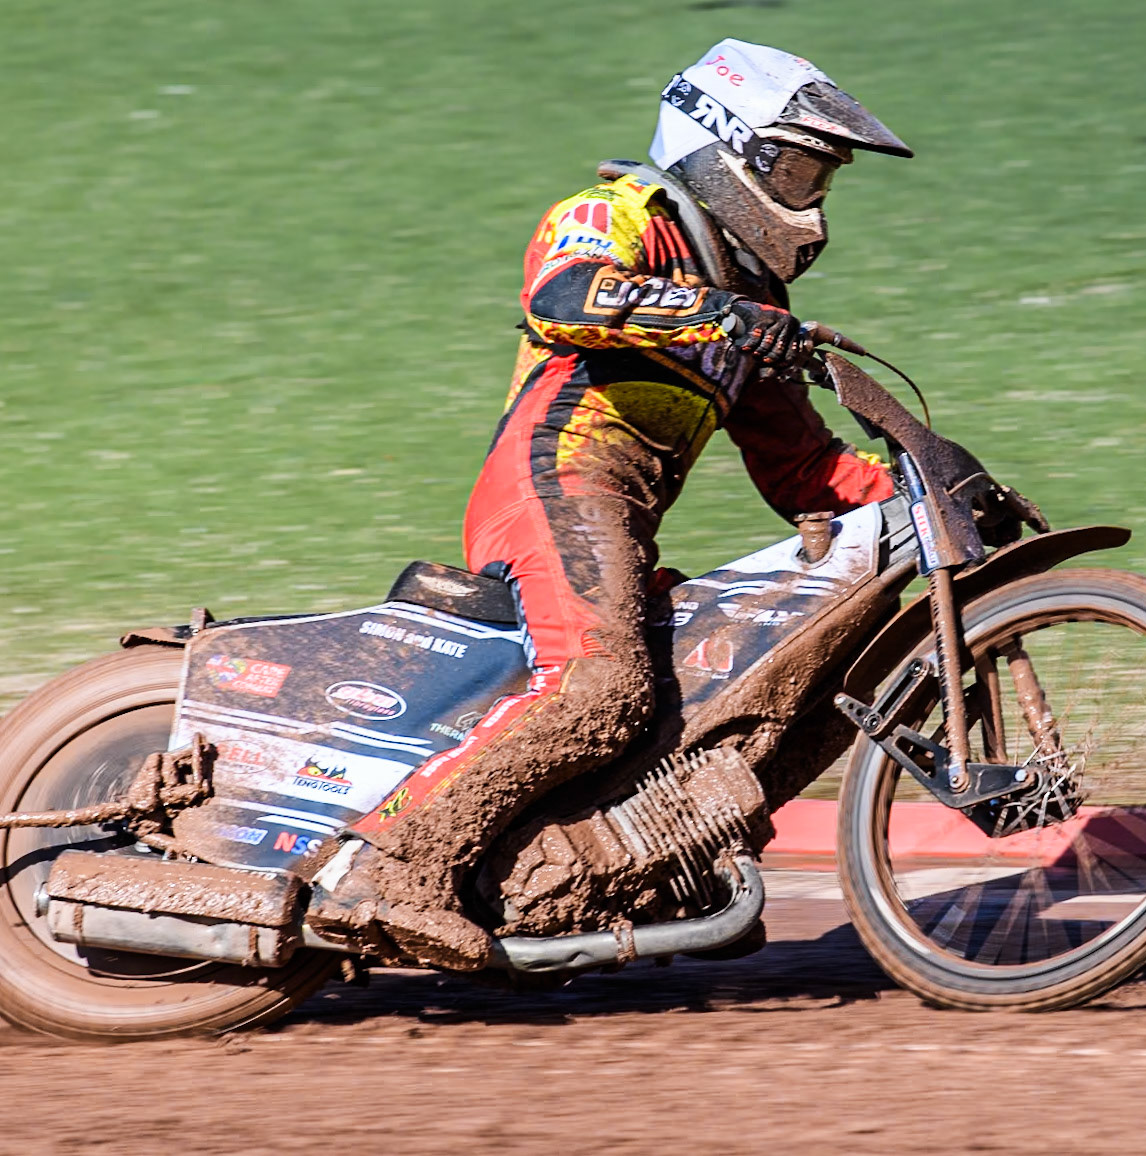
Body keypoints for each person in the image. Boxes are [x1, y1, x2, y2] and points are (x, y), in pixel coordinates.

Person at [306, 39, 913, 969]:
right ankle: (387, 869)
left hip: (618, 518)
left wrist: (929, 496)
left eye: (820, 179)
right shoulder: (619, 212)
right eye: (796, 169)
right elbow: (566, 296)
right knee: (601, 686)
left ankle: (624, 870)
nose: (811, 203)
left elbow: (805, 473)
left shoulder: (747, 304)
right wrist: (723, 317)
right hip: (554, 480)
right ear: (723, 149)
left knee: (726, 693)